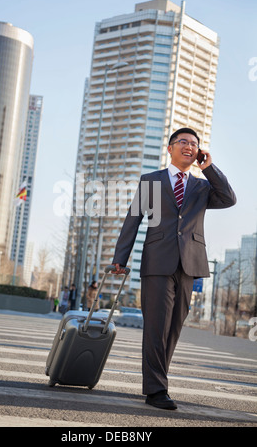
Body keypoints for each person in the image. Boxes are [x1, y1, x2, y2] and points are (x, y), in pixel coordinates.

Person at [111, 127, 236, 410]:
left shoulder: (203, 187)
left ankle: (157, 382)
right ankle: (156, 389)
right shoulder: (151, 182)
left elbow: (229, 199)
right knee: (156, 326)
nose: (189, 147)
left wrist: (210, 168)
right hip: (157, 261)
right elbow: (133, 220)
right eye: (183, 142)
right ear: (170, 148)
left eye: (194, 144)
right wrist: (121, 258)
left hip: (190, 263)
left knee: (174, 328)